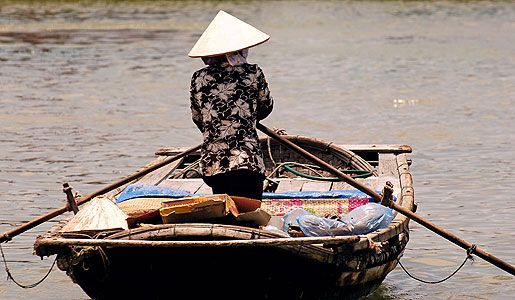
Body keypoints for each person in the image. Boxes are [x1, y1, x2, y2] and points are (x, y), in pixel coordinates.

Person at [188, 10, 273, 200]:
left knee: (226, 214)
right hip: (247, 161)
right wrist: (244, 117)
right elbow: (266, 107)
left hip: (214, 164)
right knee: (250, 218)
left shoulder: (198, 78)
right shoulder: (253, 73)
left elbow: (198, 118)